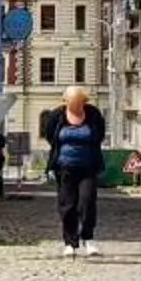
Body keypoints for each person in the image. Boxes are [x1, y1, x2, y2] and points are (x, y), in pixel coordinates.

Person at [40, 86, 107, 257]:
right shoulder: (56, 116)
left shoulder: (93, 114)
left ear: (84, 102)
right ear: (66, 102)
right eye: (72, 103)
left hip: (88, 166)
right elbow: (50, 136)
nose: (76, 106)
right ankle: (70, 242)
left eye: (79, 103)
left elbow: (99, 134)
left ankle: (88, 238)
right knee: (67, 205)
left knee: (87, 202)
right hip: (64, 167)